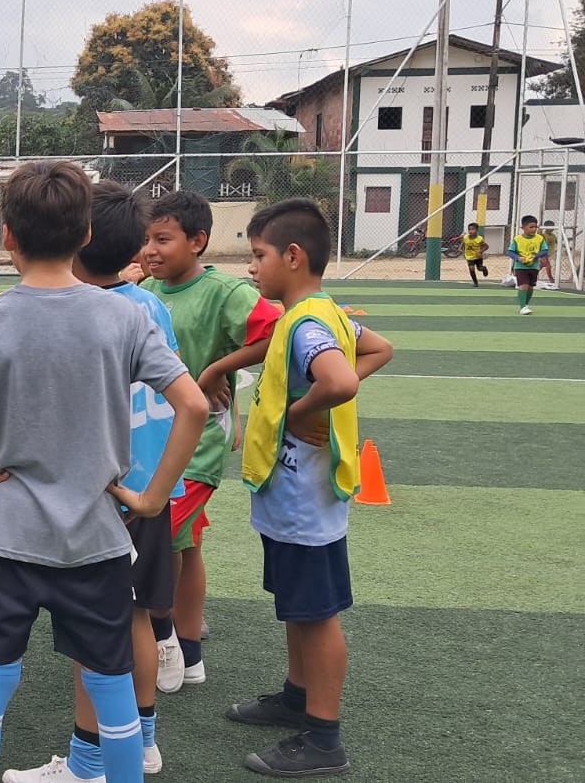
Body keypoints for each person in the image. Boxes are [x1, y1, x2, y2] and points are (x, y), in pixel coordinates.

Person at [0, 160, 208, 783]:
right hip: (96, 539)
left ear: (7, 235)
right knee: (111, 687)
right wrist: (152, 498)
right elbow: (194, 406)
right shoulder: (126, 316)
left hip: (7, 539)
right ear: (86, 234)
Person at [7, 183, 184, 781]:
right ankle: (143, 740)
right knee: (135, 618)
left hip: (106, 491)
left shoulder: (87, 313)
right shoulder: (150, 306)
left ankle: (89, 762)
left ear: (77, 243)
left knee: (98, 630)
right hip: (152, 486)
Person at [230, 198, 393, 778]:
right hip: (292, 496)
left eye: (259, 256)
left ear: (293, 257)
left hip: (304, 501)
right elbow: (379, 349)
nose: (252, 268)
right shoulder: (322, 313)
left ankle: (324, 739)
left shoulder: (305, 323)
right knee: (299, 606)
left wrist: (302, 410)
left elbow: (341, 380)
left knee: (317, 614)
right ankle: (297, 697)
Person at [140, 190, 280, 689]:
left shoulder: (224, 291)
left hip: (198, 443)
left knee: (161, 537)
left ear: (197, 241)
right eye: (146, 240)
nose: (150, 250)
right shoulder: (146, 291)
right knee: (186, 542)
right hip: (154, 440)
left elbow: (275, 331)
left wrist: (219, 368)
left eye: (163, 239)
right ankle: (189, 650)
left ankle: (162, 638)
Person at [507, 215, 548, 315]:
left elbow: (545, 250)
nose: (534, 229)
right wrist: (518, 258)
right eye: (531, 227)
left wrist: (536, 256)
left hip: (534, 267)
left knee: (530, 287)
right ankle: (522, 307)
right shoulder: (517, 239)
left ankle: (525, 304)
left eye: (535, 227)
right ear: (523, 228)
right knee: (523, 286)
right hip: (520, 267)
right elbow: (510, 252)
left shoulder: (539, 238)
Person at [462, 222, 489, 287]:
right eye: (469, 229)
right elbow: (463, 245)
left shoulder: (479, 239)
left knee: (479, 268)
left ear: (477, 230)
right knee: (471, 268)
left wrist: (480, 252)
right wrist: (463, 252)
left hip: (477, 256)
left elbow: (486, 246)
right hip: (469, 256)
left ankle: (484, 269)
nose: (470, 231)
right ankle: (475, 282)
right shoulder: (465, 237)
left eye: (472, 229)